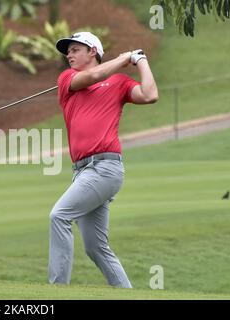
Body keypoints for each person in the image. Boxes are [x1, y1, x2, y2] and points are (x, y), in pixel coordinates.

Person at [49, 32, 158, 288]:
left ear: (93, 52)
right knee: (96, 247)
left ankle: (56, 289)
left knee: (59, 216)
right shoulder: (68, 79)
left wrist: (141, 60)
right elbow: (94, 76)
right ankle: (126, 293)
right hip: (82, 171)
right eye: (69, 51)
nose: (69, 54)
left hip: (105, 168)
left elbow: (150, 95)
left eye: (76, 49)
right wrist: (123, 58)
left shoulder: (119, 83)